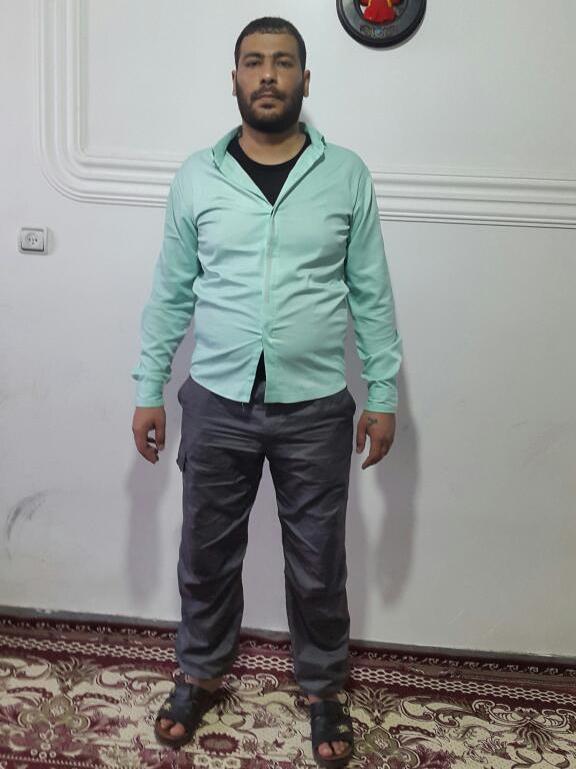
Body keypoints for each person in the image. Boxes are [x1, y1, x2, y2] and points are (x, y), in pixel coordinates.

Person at [131, 16, 402, 768]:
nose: (268, 75)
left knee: (318, 562)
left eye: (283, 62)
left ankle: (323, 687)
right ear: (235, 79)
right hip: (216, 401)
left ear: (305, 79)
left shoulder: (345, 174)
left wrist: (382, 393)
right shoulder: (198, 176)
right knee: (206, 554)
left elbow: (371, 293)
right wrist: (149, 386)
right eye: (254, 62)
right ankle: (199, 672)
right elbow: (170, 291)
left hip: (315, 406)